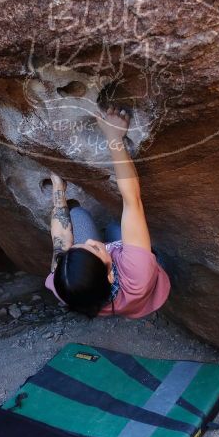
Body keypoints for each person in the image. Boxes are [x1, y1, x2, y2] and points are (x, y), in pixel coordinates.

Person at [44, 104, 170, 318]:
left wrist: (58, 186)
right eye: (94, 249)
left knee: (76, 216)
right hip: (140, 286)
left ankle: (107, 245)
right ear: (111, 275)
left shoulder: (65, 285)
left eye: (80, 247)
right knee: (117, 228)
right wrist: (115, 138)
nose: (90, 243)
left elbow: (60, 238)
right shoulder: (136, 273)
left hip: (102, 291)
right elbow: (132, 201)